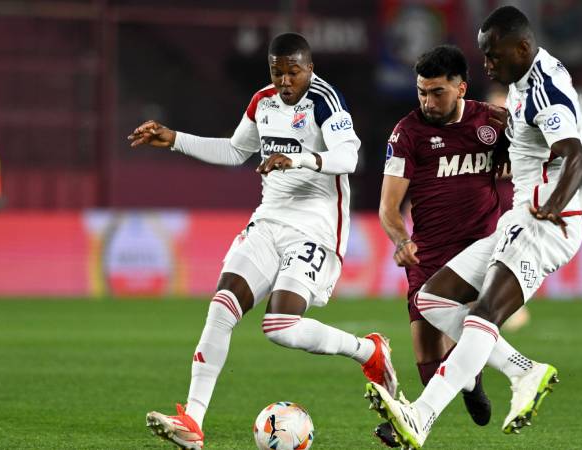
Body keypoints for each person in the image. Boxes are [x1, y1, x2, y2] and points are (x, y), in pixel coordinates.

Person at [128, 33, 397, 450]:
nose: (285, 80)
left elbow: (350, 157)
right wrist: (175, 139)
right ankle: (192, 422)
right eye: (277, 71)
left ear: (309, 68)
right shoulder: (262, 102)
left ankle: (368, 350)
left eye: (294, 71)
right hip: (268, 221)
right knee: (222, 307)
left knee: (279, 325)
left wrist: (300, 158)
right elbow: (237, 151)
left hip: (315, 228)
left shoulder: (325, 101)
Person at [364, 6, 582, 448]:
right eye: (484, 56)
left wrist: (552, 207)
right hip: (518, 220)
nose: (487, 64)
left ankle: (421, 417)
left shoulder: (541, 88)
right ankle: (524, 370)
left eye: (493, 56)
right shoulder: (524, 83)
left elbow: (576, 157)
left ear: (522, 47)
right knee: (433, 298)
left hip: (544, 222)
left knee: (483, 316)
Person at [375, 44, 541, 447]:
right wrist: (401, 240)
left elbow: (535, 153)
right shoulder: (407, 132)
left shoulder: (494, 122)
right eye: (421, 92)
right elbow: (387, 206)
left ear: (461, 88)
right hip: (428, 254)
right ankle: (471, 383)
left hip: (482, 249)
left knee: (471, 323)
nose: (427, 101)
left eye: (437, 92)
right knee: (429, 363)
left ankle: (416, 418)